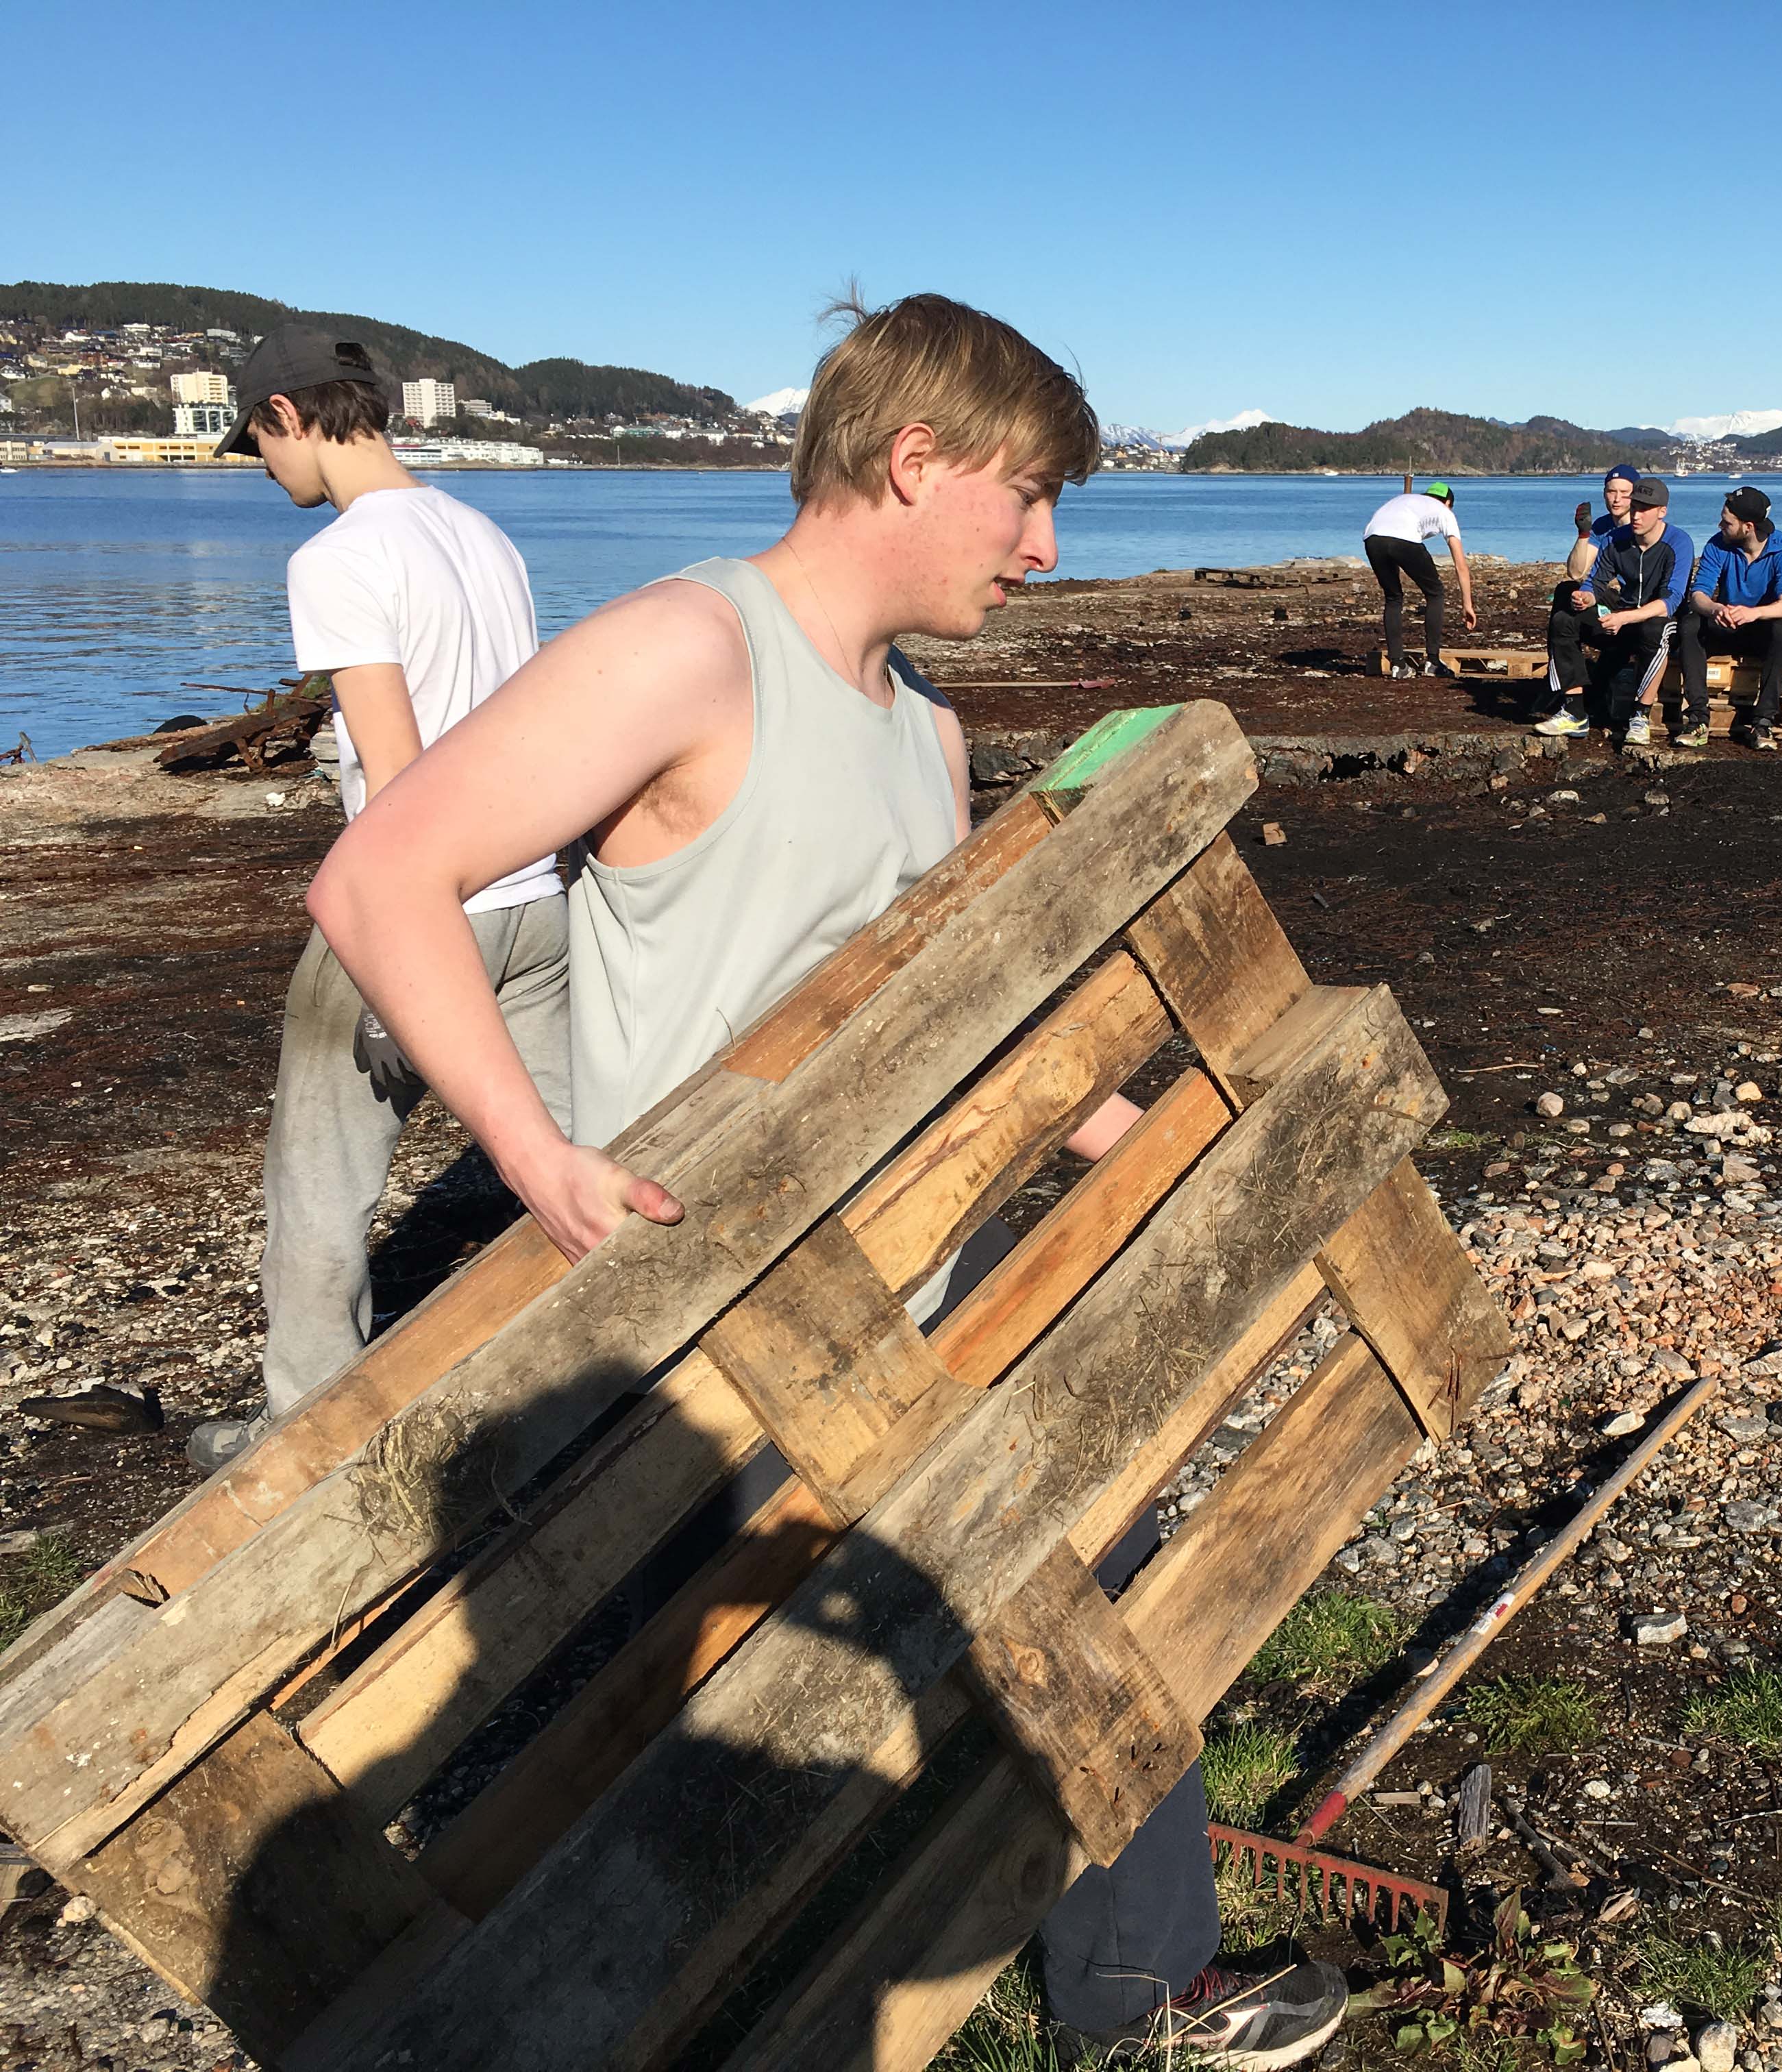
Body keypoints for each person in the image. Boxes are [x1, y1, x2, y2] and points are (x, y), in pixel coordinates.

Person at [306, 292, 1350, 2070]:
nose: (1045, 545)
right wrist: (533, 1149)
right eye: (1027, 495)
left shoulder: (924, 732)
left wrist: (1155, 1146)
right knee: (717, 1761)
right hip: (704, 1348)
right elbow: (381, 877)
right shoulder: (687, 652)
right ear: (912, 457)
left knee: (1104, 1544)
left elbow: (941, 1033)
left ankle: (1133, 1983)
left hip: (910, 1300)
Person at [186, 324, 571, 1472]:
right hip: (537, 892)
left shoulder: (342, 557)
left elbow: (399, 782)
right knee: (566, 1154)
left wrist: (406, 959)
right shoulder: (483, 535)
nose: (265, 469)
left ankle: (303, 1433)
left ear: (290, 415)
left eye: (258, 440)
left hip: (417, 902)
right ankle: (613, 1387)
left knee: (320, 1178)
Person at [1532, 475, 1686, 747]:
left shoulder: (1678, 542)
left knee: (1656, 628)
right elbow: (1595, 581)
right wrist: (1586, 598)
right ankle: (1575, 710)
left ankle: (1640, 715)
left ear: (1662, 512)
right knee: (1564, 619)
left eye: (1644, 509)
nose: (1637, 515)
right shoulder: (1616, 539)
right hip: (1623, 614)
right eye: (1634, 507)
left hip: (1658, 621)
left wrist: (1624, 618)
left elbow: (1671, 601)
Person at [1678, 484, 1782, 751]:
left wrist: (1753, 613)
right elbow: (1698, 594)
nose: (1719, 525)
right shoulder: (1718, 544)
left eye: (1726, 522)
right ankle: (1698, 716)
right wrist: (1716, 609)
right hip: (1725, 625)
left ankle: (1763, 721)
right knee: (1690, 624)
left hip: (1760, 630)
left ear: (1748, 526)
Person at [1533, 462, 1638, 726]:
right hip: (1602, 599)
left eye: (1624, 493)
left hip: (1632, 606)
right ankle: (1565, 687)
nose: (1616, 499)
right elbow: (1577, 572)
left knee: (1565, 615)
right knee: (1565, 596)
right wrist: (1584, 532)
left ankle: (1560, 685)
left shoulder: (1641, 526)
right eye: (1611, 492)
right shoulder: (1602, 527)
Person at [1361, 479, 1475, 676]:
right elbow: (1461, 565)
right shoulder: (1445, 512)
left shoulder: (1406, 500)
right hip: (1403, 540)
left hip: (1372, 539)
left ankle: (1398, 665)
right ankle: (1433, 662)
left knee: (1393, 597)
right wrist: (1467, 605)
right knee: (1435, 593)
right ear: (1448, 503)